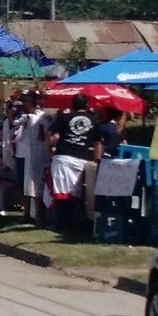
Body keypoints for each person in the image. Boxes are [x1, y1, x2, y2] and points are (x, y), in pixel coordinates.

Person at [48, 93, 101, 231]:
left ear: (72, 105)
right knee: (76, 193)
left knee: (61, 193)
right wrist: (96, 161)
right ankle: (71, 223)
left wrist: (49, 149)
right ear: (87, 105)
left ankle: (60, 223)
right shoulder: (94, 120)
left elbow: (49, 134)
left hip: (62, 157)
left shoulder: (63, 118)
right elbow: (98, 143)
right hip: (81, 159)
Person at [13, 92, 49, 220]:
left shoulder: (43, 117)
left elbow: (47, 130)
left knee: (38, 184)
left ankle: (40, 215)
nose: (24, 104)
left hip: (40, 151)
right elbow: (14, 123)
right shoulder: (26, 116)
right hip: (28, 153)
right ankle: (27, 214)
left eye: (26, 101)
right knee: (27, 185)